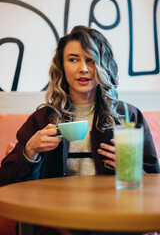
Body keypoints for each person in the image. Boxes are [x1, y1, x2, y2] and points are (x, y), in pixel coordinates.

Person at [0, 25, 159, 234]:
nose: (83, 68)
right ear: (62, 66)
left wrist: (132, 169)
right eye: (73, 59)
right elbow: (5, 181)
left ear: (103, 65)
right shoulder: (42, 119)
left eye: (90, 60)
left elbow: (155, 182)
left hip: (115, 219)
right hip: (57, 221)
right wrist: (29, 151)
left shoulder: (127, 117)